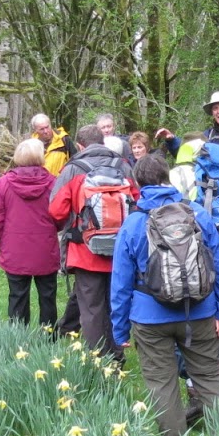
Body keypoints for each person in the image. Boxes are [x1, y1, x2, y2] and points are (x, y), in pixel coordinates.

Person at [110, 155, 219, 436]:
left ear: (137, 183)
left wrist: (120, 329)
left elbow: (120, 284)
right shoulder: (198, 215)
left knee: (161, 383)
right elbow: (218, 267)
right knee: (210, 376)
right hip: (200, 311)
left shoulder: (132, 224)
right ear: (167, 177)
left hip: (149, 317)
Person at [49, 125, 137, 361]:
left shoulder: (74, 169)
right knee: (116, 304)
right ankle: (117, 356)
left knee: (91, 309)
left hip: (85, 252)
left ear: (79, 145)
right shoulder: (123, 166)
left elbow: (56, 210)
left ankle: (98, 359)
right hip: (121, 251)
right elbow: (137, 202)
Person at [0, 138, 59, 328]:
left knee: (17, 295)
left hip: (15, 248)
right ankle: (49, 339)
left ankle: (19, 338)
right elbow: (60, 215)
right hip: (45, 248)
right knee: (48, 296)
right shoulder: (53, 183)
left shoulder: (3, 184)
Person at [157, 91, 219, 163]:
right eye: (215, 108)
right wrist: (172, 140)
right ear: (212, 112)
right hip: (215, 188)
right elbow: (188, 154)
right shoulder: (208, 135)